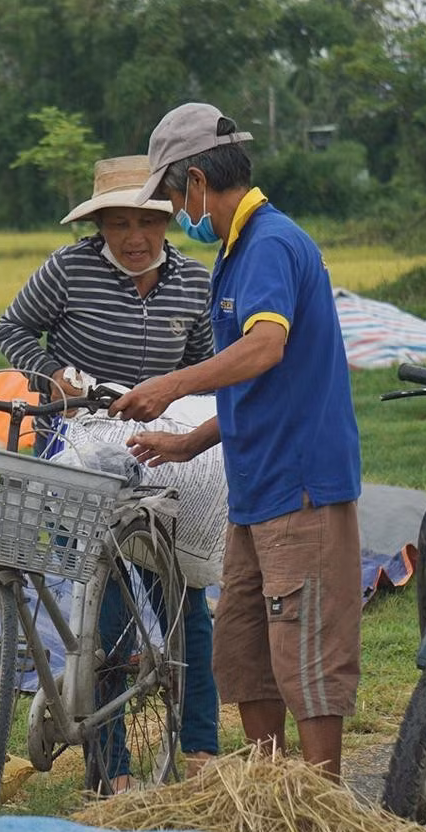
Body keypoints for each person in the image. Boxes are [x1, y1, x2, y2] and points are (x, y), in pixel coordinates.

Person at [111, 103, 362, 780]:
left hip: (299, 483)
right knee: (246, 649)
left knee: (306, 652)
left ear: (196, 181)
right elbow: (265, 386)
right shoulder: (236, 250)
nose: (174, 212)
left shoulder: (270, 245)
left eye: (172, 197)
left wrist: (170, 385)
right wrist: (191, 441)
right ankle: (266, 791)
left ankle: (320, 801)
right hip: (255, 487)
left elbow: (265, 349)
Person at [0, 154, 220, 787]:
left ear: (169, 219)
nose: (134, 237)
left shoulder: (193, 283)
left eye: (147, 221)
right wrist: (50, 375)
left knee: (183, 599)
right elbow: (12, 327)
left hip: (161, 452)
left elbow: (205, 370)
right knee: (108, 603)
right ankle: (111, 767)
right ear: (99, 227)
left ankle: (201, 750)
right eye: (119, 223)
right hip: (80, 448)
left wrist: (184, 411)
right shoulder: (69, 270)